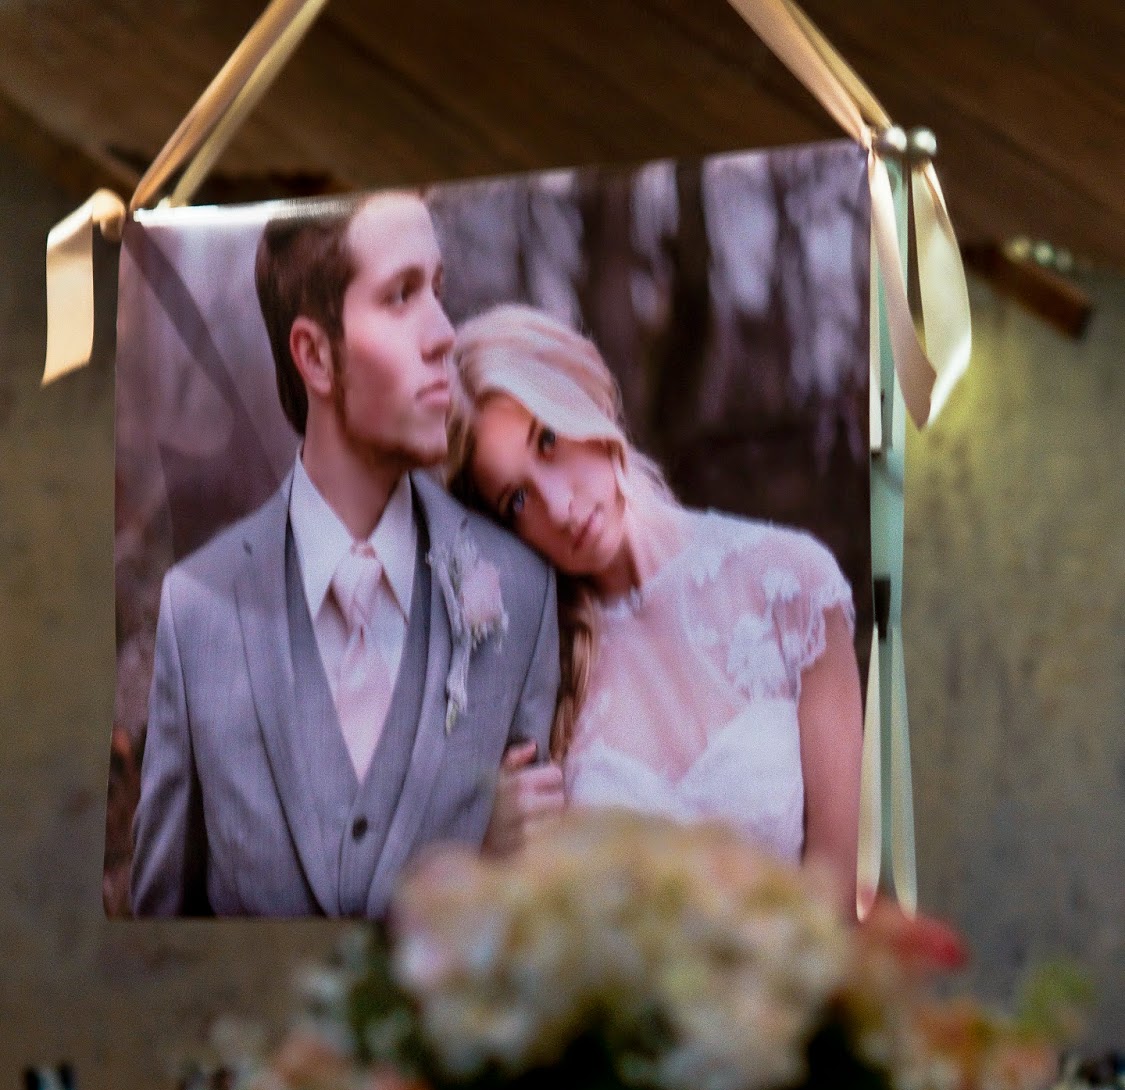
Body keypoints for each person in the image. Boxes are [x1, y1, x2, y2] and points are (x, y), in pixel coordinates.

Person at [131, 195, 559, 917]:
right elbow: (158, 948)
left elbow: (536, 938)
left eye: (438, 290)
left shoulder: (517, 591)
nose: (443, 335)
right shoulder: (197, 609)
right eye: (400, 296)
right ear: (316, 356)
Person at [446, 303, 863, 911]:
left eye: (548, 440)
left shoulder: (794, 586)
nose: (560, 507)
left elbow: (840, 907)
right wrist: (488, 843)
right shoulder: (531, 680)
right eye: (516, 500)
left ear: (584, 393)